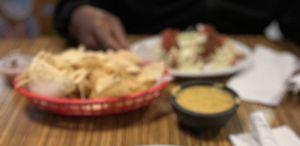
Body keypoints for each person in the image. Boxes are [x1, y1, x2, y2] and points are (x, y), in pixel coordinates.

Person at [54, 0, 300, 50]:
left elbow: (292, 19)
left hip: (253, 80)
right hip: (135, 60)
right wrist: (78, 12)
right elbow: (68, 8)